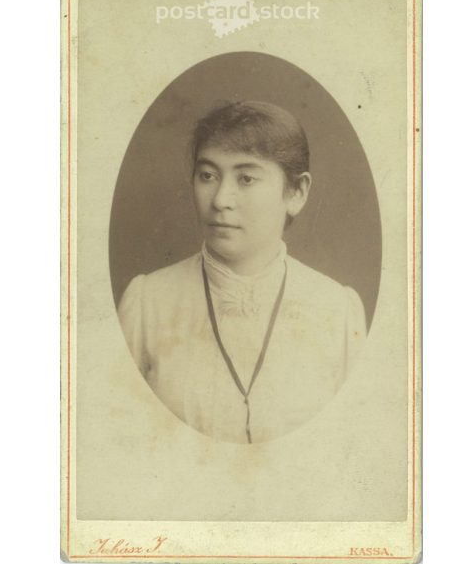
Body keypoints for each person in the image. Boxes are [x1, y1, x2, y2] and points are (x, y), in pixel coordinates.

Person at [118, 100, 366, 444]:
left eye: (246, 178)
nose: (220, 199)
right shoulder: (147, 302)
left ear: (296, 192)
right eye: (207, 176)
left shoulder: (338, 310)